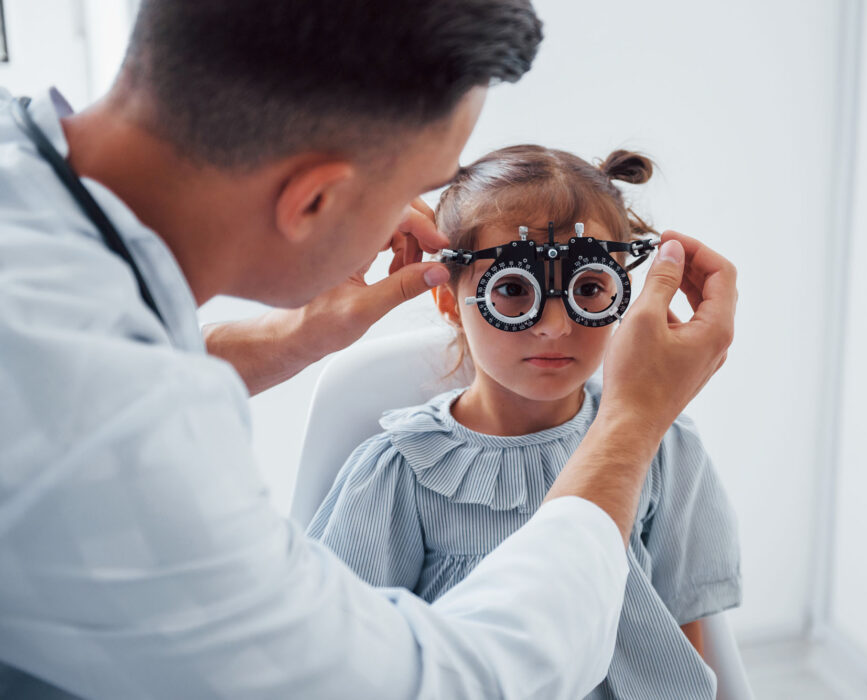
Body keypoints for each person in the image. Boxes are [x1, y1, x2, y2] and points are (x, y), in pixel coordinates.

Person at [0, 1, 737, 698]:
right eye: (416, 189)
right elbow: (435, 685)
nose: (418, 229)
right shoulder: (107, 445)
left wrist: (292, 339)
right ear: (314, 200)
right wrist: (631, 428)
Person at [308, 145, 741, 699]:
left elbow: (681, 623)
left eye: (587, 288)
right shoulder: (404, 470)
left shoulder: (664, 443)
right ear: (448, 298)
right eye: (513, 289)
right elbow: (353, 656)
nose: (555, 325)